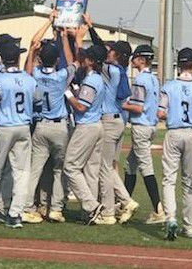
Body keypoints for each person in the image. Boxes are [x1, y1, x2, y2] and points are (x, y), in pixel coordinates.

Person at [0, 36, 40, 228]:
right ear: (17, 59)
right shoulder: (29, 79)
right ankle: (15, 214)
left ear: (2, 58)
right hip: (23, 127)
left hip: (5, 126)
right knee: (21, 172)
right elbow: (37, 103)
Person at [22, 30, 76, 224]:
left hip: (41, 125)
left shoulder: (35, 73)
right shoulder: (61, 76)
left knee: (35, 169)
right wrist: (64, 38)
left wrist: (32, 51)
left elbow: (28, 72)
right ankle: (55, 209)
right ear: (56, 60)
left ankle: (28, 207)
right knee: (59, 170)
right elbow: (73, 63)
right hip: (59, 126)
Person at [158, 47, 192, 240]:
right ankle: (188, 227)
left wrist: (168, 115)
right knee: (189, 182)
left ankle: (171, 218)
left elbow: (160, 113)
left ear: (179, 65)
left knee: (169, 179)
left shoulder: (168, 86)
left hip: (173, 133)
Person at [63, 44, 108, 225]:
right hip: (96, 124)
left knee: (71, 166)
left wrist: (68, 94)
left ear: (90, 61)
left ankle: (90, 205)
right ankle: (89, 212)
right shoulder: (99, 79)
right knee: (91, 170)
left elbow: (81, 106)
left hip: (87, 125)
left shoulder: (91, 80)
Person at [97, 40, 139, 225]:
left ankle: (116, 206)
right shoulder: (121, 71)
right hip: (119, 120)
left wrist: (88, 29)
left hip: (109, 120)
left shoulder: (112, 70)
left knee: (104, 167)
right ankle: (118, 203)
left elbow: (98, 50)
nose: (109, 52)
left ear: (118, 54)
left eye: (112, 50)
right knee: (110, 166)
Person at [122, 45, 165, 224]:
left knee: (146, 168)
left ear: (141, 59)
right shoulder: (154, 79)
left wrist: (122, 105)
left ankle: (158, 209)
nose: (132, 60)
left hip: (142, 126)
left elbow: (138, 107)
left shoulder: (140, 80)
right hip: (150, 126)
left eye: (135, 57)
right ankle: (125, 204)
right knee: (130, 165)